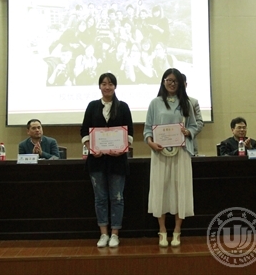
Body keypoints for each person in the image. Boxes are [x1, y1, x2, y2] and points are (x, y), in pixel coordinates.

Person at [144, 68, 198, 247]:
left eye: (175, 81)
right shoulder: (155, 103)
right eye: (169, 80)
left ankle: (177, 231)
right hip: (160, 153)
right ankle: (162, 231)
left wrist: (187, 131)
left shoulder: (186, 103)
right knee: (161, 189)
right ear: (163, 81)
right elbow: (147, 129)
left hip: (181, 153)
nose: (172, 84)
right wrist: (151, 143)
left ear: (180, 83)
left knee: (180, 189)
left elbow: (194, 126)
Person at [80, 73, 134, 248]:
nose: (107, 87)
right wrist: (90, 147)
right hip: (96, 161)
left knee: (117, 198)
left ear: (115, 86)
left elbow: (130, 132)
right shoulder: (92, 106)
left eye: (110, 84)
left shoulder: (123, 107)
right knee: (100, 198)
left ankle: (115, 234)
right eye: (104, 84)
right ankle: (103, 234)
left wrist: (122, 148)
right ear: (99, 86)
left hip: (117, 161)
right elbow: (84, 131)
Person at [182, 74, 204, 155]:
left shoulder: (193, 102)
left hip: (189, 146)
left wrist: (189, 132)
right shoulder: (164, 103)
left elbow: (199, 122)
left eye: (182, 84)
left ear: (186, 84)